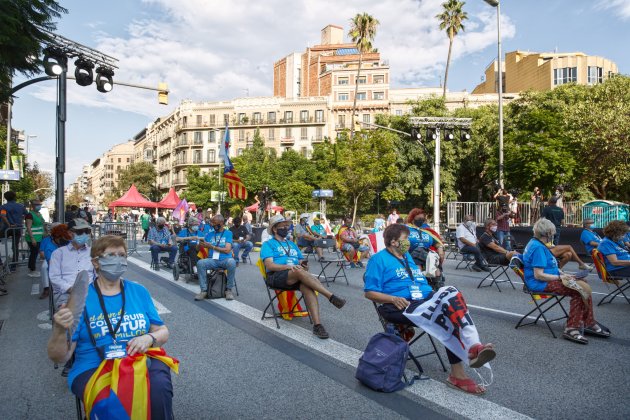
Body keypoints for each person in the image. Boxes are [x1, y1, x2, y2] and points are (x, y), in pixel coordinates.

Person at [47, 235, 176, 419]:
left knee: (158, 390)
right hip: (94, 365)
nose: (118, 259)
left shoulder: (139, 291)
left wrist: (149, 338)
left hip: (137, 360)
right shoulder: (79, 299)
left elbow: (162, 331)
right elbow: (59, 357)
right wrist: (59, 330)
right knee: (112, 402)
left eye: (122, 255)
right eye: (111, 255)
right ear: (96, 262)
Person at [364, 224, 496, 394]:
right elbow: (369, 293)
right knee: (448, 314)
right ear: (394, 242)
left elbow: (415, 279)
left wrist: (430, 274)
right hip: (400, 305)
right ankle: (460, 371)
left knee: (452, 295)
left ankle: (474, 348)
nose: (409, 243)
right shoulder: (378, 260)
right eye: (406, 240)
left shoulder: (406, 257)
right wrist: (392, 298)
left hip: (424, 300)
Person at [523, 218, 610, 344]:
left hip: (545, 280)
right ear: (547, 233)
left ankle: (588, 322)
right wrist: (561, 277)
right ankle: (571, 328)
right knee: (579, 290)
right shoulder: (538, 248)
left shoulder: (536, 243)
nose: (554, 234)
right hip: (540, 284)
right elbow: (539, 275)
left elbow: (551, 268)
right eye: (552, 232)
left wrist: (566, 274)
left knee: (583, 283)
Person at [261, 215, 346, 339]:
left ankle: (318, 325)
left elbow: (302, 264)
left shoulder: (292, 244)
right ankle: (330, 296)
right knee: (298, 271)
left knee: (307, 287)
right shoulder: (268, 244)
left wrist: (304, 266)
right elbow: (269, 265)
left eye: (287, 225)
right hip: (276, 276)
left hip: (295, 275)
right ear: (275, 229)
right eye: (283, 226)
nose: (286, 228)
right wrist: (289, 267)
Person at [195, 214, 237, 301]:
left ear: (221, 223)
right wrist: (200, 244)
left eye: (215, 223)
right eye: (212, 223)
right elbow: (197, 249)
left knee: (232, 262)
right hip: (212, 260)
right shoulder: (209, 234)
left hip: (225, 259)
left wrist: (212, 247)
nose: (213, 225)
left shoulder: (228, 233)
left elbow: (227, 250)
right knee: (200, 263)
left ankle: (228, 290)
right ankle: (204, 290)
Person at [406, 208, 446, 289]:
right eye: (419, 219)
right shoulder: (406, 229)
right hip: (411, 254)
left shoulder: (426, 231)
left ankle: (437, 284)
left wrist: (440, 250)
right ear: (413, 219)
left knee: (431, 257)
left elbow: (437, 242)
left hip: (427, 254)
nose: (421, 221)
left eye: (423, 219)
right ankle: (419, 282)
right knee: (418, 253)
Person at [38, 223, 72, 299]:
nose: (65, 241)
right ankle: (46, 288)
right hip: (56, 264)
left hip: (68, 267)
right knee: (44, 267)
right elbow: (43, 254)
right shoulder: (47, 242)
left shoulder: (68, 241)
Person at [0, 190, 28, 268]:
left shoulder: (3, 207)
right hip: (18, 228)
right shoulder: (21, 206)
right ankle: (14, 265)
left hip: (6, 229)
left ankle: (0, 262)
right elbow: (27, 215)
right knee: (15, 246)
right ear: (14, 197)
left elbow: (3, 216)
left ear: (5, 198)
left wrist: (9, 225)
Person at [25, 199, 45, 278]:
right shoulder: (30, 215)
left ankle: (32, 268)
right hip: (32, 238)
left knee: (35, 253)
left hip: (39, 237)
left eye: (39, 204)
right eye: (37, 204)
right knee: (34, 253)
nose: (39, 206)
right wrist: (32, 238)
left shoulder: (39, 214)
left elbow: (42, 223)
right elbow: (29, 227)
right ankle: (32, 270)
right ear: (32, 206)